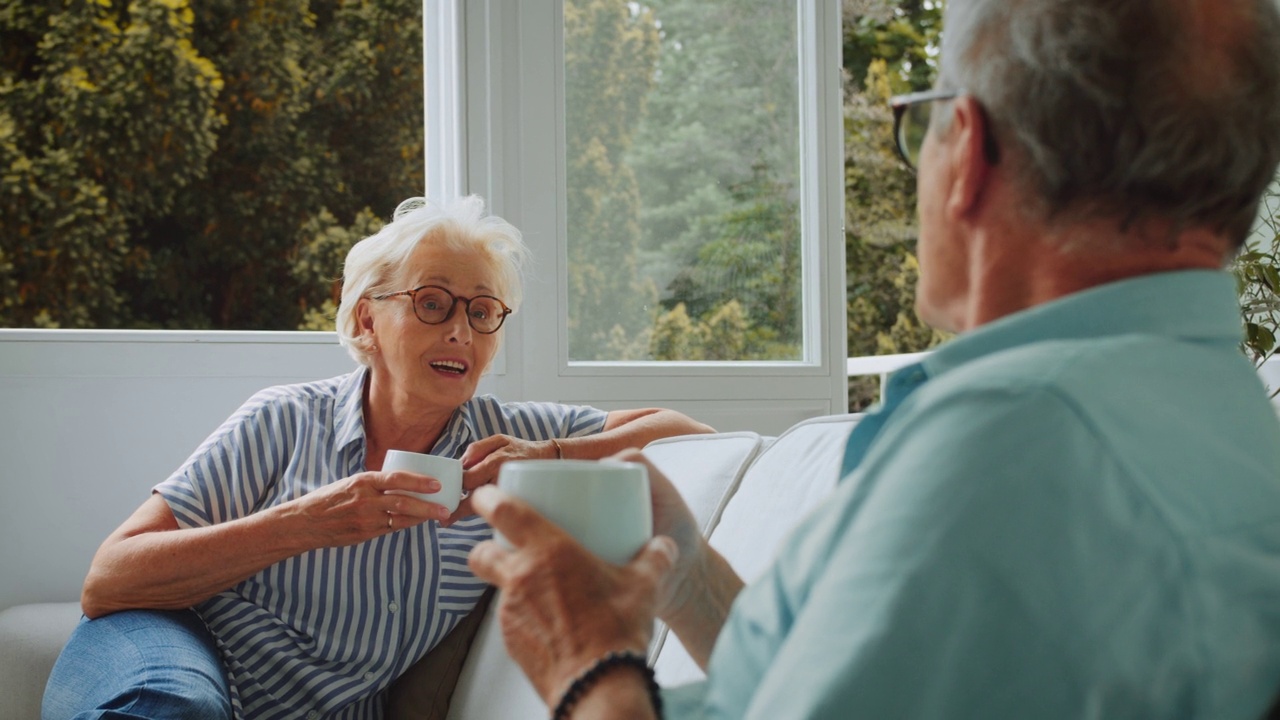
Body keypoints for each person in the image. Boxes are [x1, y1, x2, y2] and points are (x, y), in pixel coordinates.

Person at [466, 0, 1280, 717]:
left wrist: (587, 668)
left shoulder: (1012, 440)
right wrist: (691, 578)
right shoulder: (1216, 408)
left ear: (965, 148)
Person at [41, 195, 714, 719]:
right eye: (431, 302)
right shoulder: (286, 418)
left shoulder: (504, 440)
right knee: (178, 708)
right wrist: (304, 523)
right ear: (367, 320)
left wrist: (557, 450)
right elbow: (109, 579)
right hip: (181, 653)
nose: (460, 329)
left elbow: (684, 429)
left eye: (483, 312)